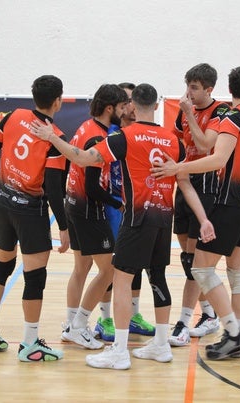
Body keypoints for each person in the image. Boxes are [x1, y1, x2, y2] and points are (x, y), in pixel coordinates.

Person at [30, 83, 215, 370]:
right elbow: (185, 183)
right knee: (158, 278)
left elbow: (81, 158)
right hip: (164, 219)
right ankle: (162, 345)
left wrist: (52, 137)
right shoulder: (173, 141)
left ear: (133, 106)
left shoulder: (123, 137)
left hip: (136, 217)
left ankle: (119, 350)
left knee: (121, 279)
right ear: (156, 106)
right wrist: (203, 219)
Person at [151, 66, 240, 360]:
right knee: (238, 273)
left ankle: (233, 332)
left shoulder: (233, 116)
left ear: (226, 87)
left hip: (230, 201)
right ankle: (234, 338)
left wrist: (179, 168)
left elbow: (216, 159)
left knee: (201, 269)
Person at [0, 75, 70, 361]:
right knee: (35, 277)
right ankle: (29, 344)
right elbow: (53, 189)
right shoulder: (56, 138)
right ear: (57, 101)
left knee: (1, 269)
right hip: (29, 210)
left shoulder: (13, 116)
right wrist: (63, 227)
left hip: (2, 201)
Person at [60, 84, 128, 349]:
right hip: (88, 209)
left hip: (73, 204)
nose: (124, 112)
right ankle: (79, 325)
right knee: (108, 271)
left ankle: (69, 324)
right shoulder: (97, 138)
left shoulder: (85, 126)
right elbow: (92, 187)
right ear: (110, 108)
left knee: (82, 268)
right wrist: (118, 204)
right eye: (122, 107)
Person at [168, 63, 230, 347]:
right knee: (187, 259)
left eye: (194, 88)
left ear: (209, 89)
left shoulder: (221, 112)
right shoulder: (184, 111)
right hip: (183, 182)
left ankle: (182, 320)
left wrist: (190, 114)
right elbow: (180, 144)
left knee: (194, 262)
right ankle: (209, 314)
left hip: (205, 186)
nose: (188, 93)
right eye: (187, 86)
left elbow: (206, 147)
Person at [95, 82, 155, 341]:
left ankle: (133, 315)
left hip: (136, 205)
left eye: (131, 101)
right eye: (125, 102)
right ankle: (105, 317)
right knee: (113, 264)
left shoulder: (141, 132)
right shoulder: (112, 133)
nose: (129, 106)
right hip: (113, 204)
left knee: (136, 263)